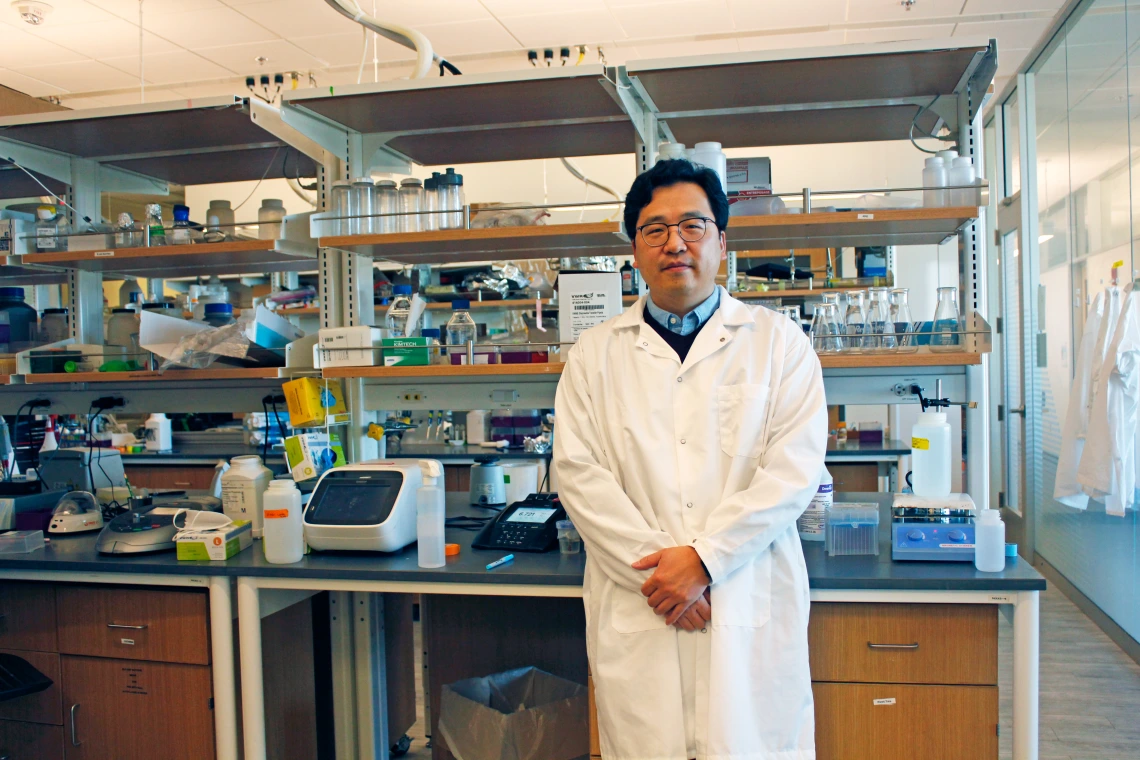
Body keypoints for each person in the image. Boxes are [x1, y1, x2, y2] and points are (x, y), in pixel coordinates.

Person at [553, 159, 827, 760]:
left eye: (693, 226)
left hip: (744, 597)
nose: (675, 242)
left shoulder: (779, 344)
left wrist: (704, 560)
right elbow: (577, 475)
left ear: (722, 242)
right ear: (635, 250)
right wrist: (663, 577)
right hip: (641, 604)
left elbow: (793, 472)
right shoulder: (595, 354)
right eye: (654, 229)